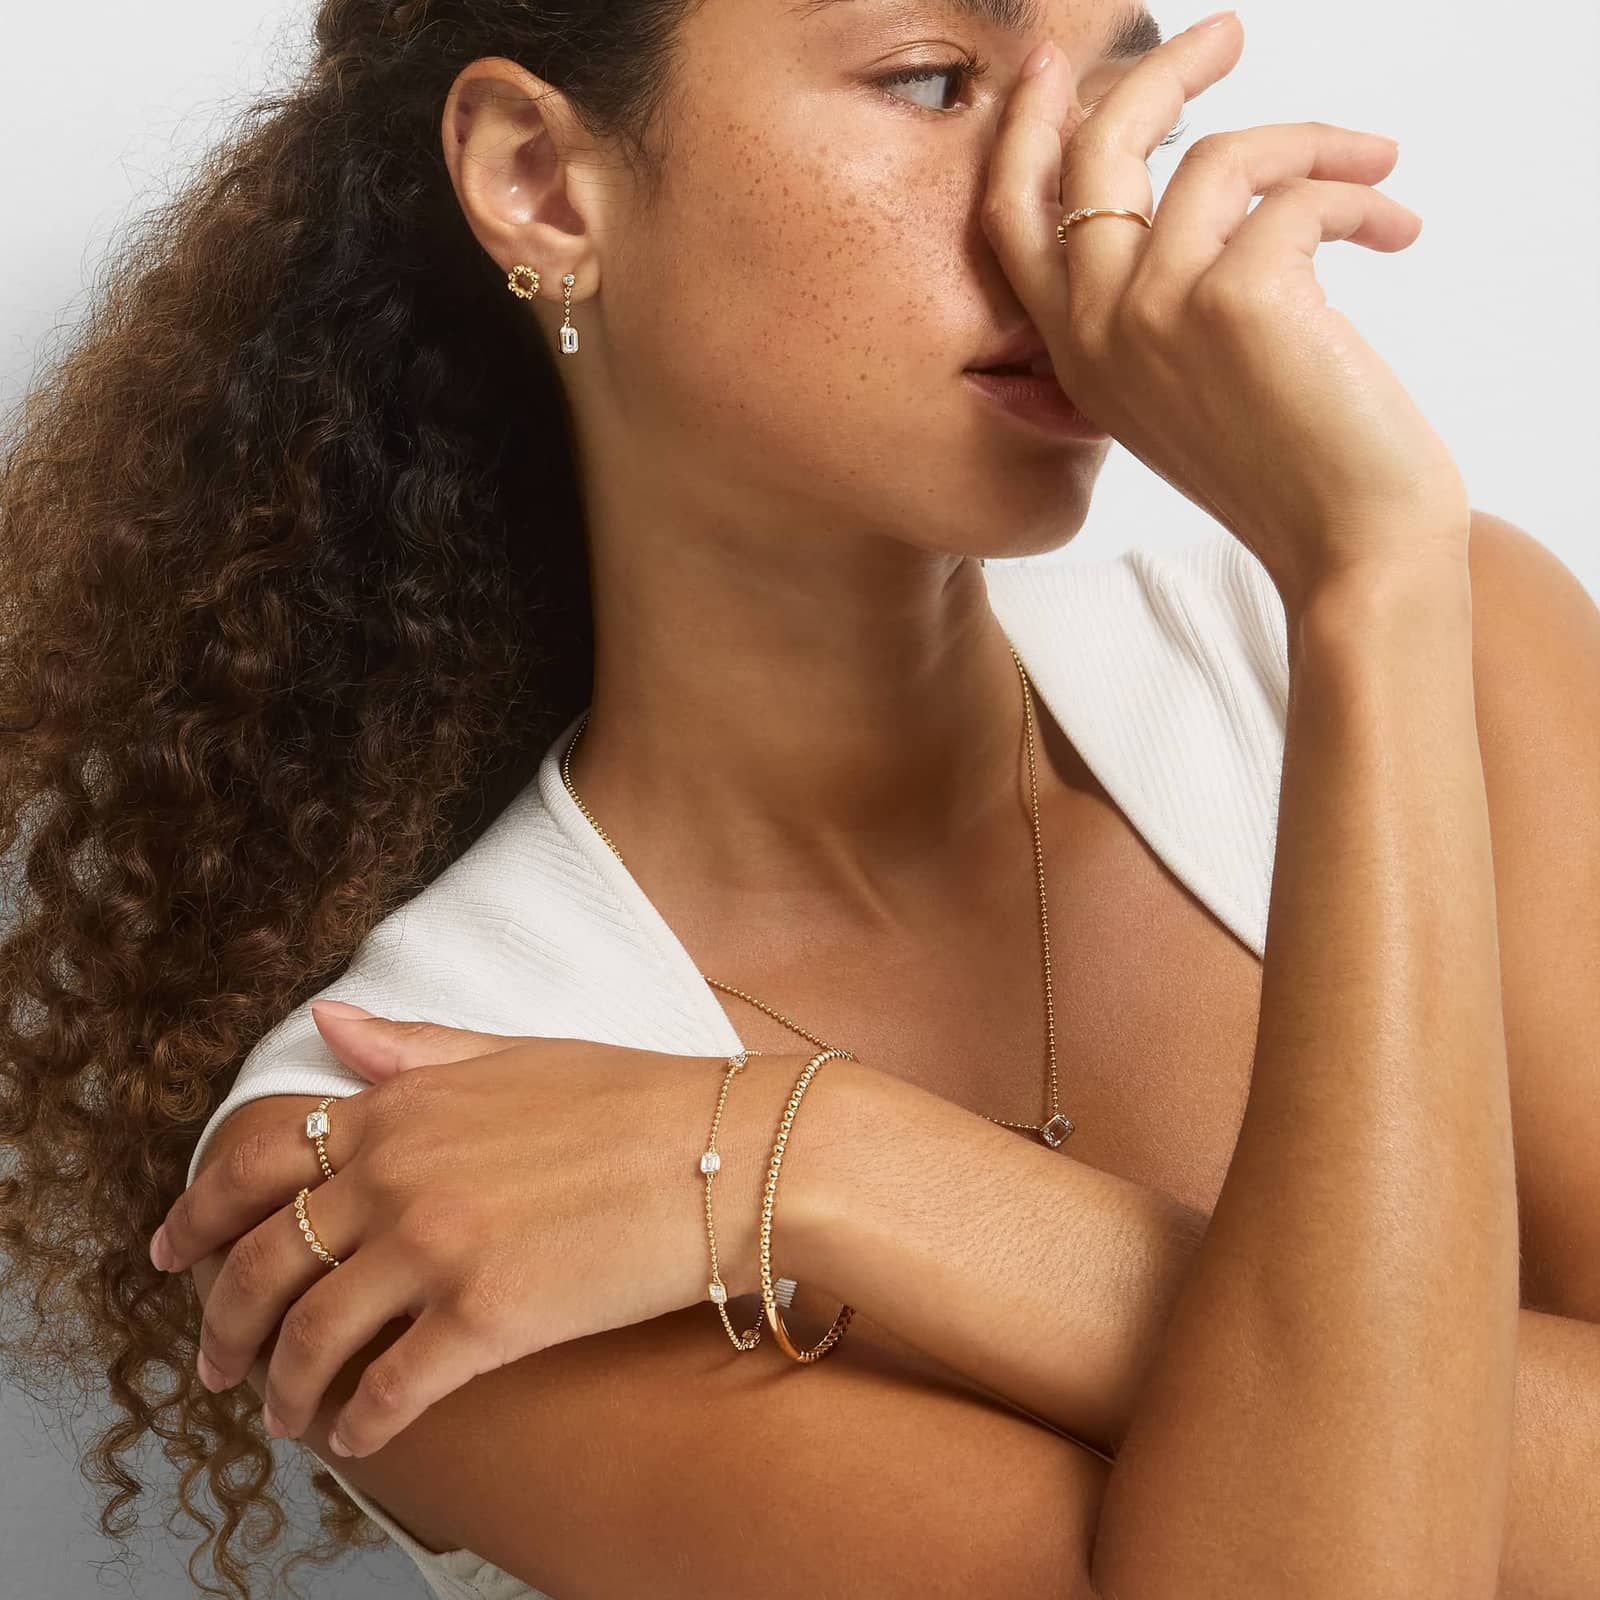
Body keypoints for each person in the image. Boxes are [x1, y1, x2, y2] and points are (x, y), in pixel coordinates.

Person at [3, 3, 1596, 1598]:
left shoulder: (1437, 661)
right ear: (545, 184)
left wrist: (817, 1159)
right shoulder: (394, 1155)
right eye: (935, 82)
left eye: (1118, 93)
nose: (1077, 200)